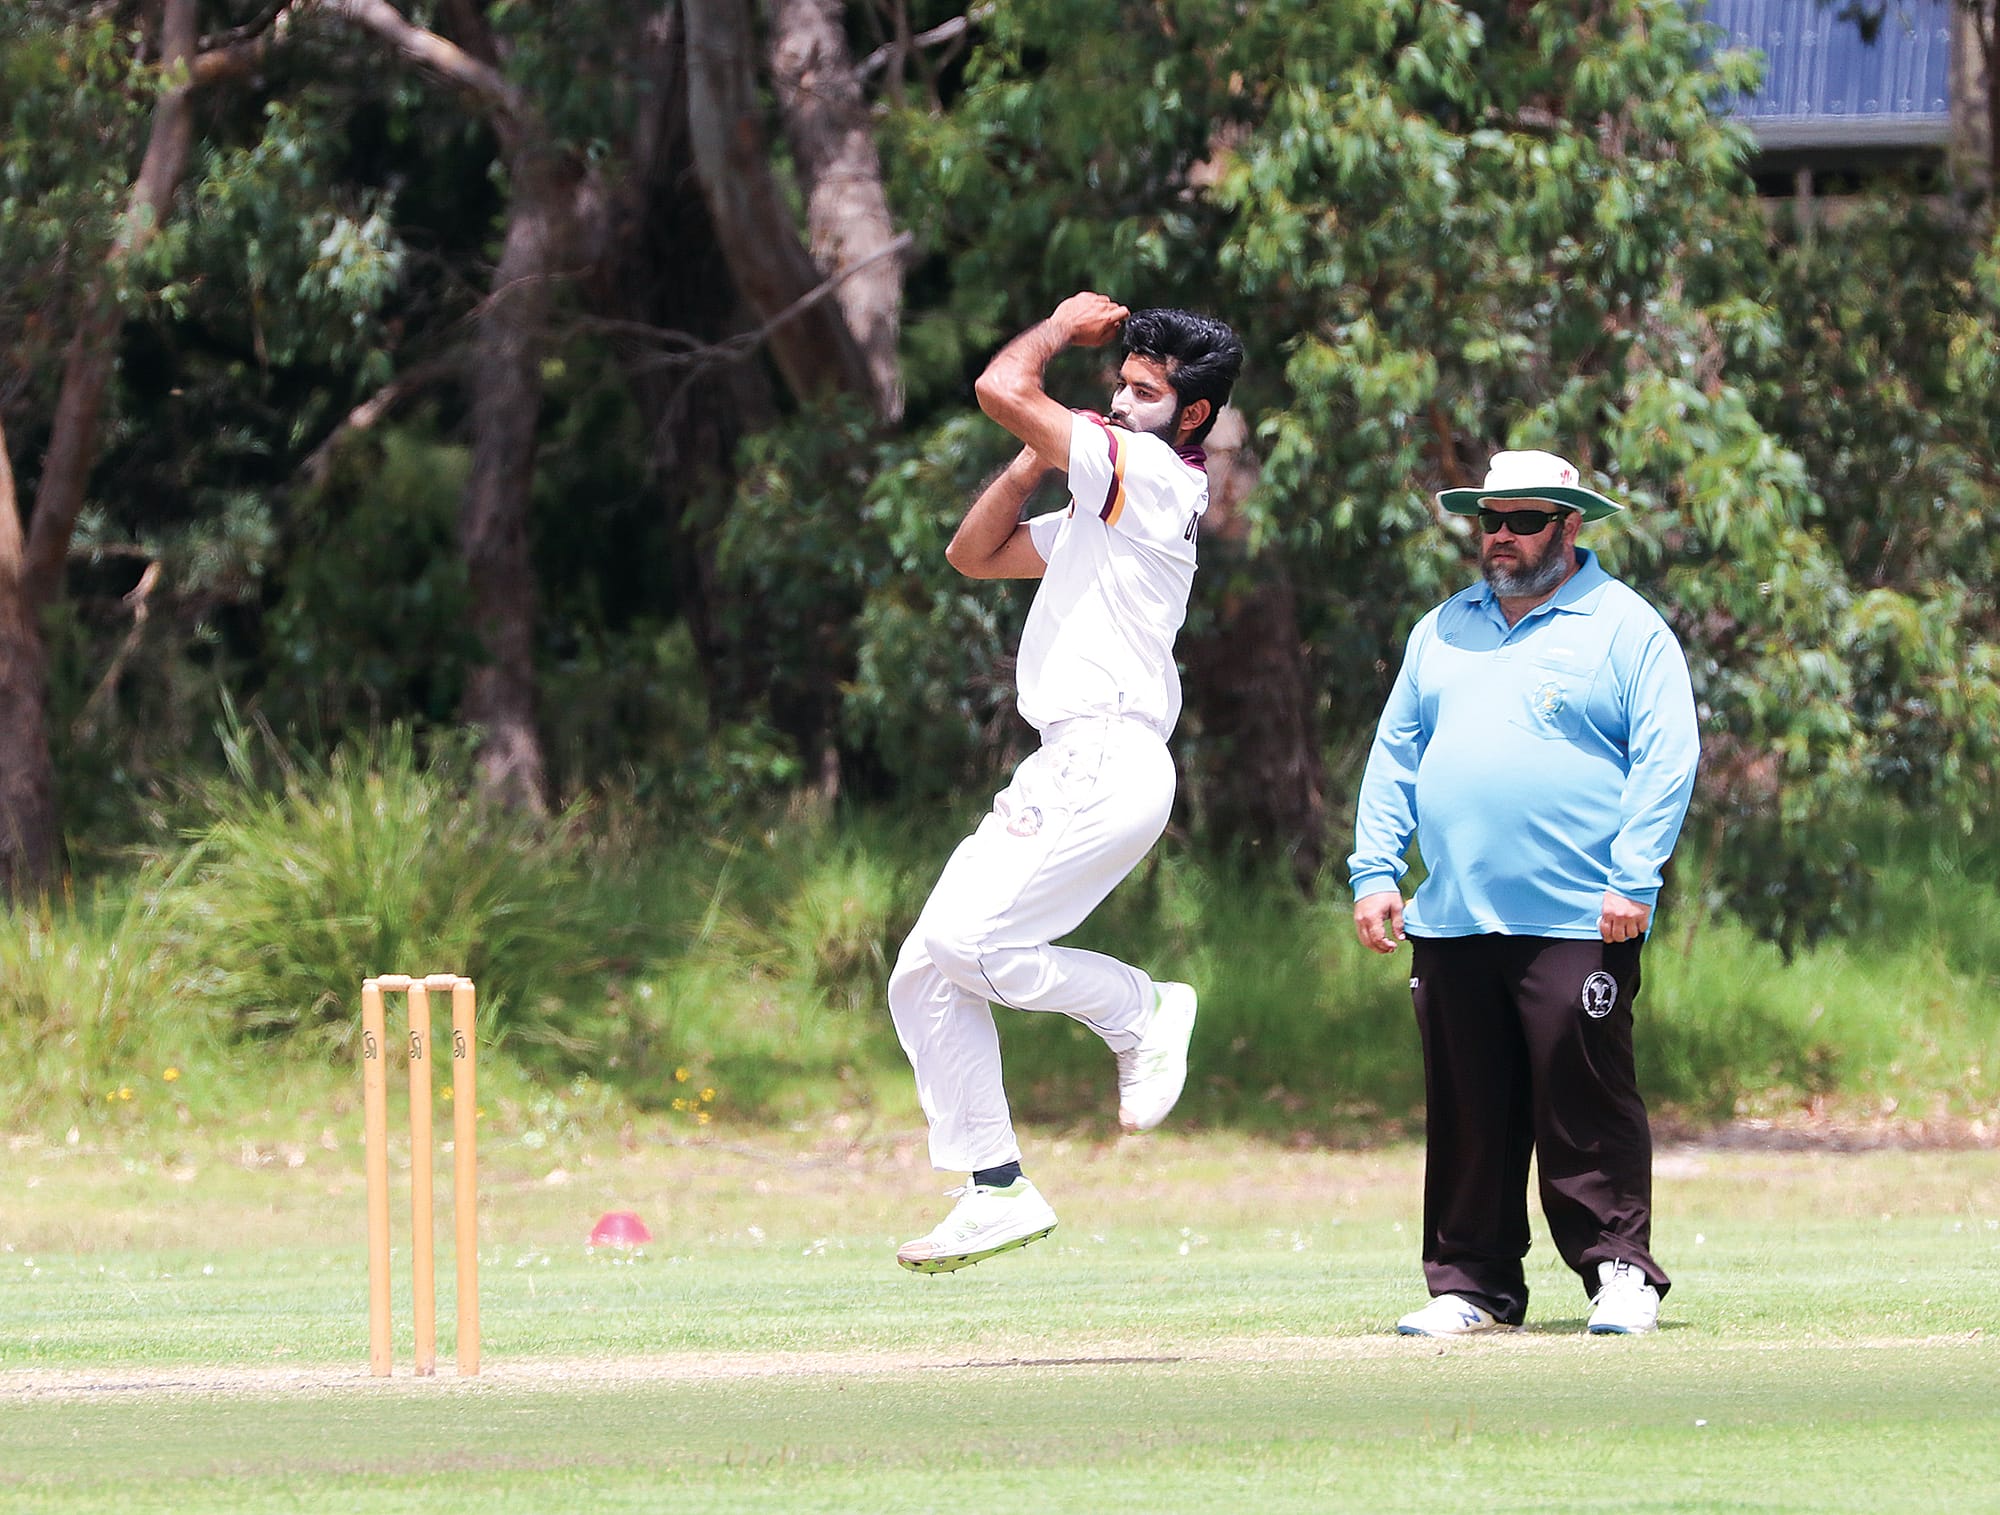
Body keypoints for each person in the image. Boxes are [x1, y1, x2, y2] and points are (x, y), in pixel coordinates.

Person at [889, 292, 1245, 1274]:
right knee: (923, 972)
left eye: (1144, 391)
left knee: (973, 944)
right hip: (1064, 765)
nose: (1121, 404)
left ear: (1193, 415)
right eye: (1118, 386)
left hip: (1108, 758)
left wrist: (1052, 328)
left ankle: (1140, 1008)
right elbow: (975, 554)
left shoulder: (1154, 479)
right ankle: (991, 1189)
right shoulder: (1105, 496)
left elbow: (1000, 386)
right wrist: (1042, 453)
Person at [1348, 449, 1700, 1335]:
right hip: (1455, 915)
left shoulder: (1626, 627)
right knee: (1469, 1106)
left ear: (1570, 526)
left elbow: (1669, 756)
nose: (1500, 536)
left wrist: (1635, 875)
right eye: (1490, 520)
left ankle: (1620, 1270)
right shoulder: (1443, 627)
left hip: (1584, 912)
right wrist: (1376, 868)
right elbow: (1396, 755)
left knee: (1583, 1095)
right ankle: (1472, 1286)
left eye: (1523, 520)